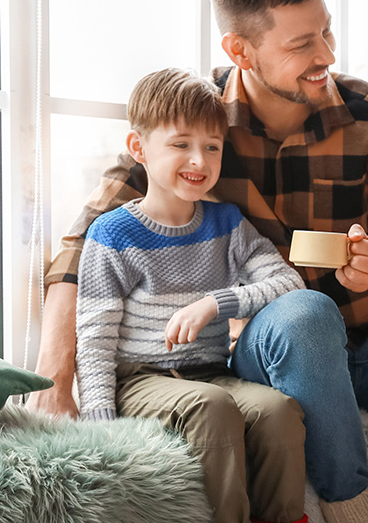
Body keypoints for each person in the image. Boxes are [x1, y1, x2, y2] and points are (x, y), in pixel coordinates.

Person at [29, 0, 368, 522]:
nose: (326, 54)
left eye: (327, 31)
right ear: (240, 50)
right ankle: (355, 506)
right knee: (306, 314)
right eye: (302, 44)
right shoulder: (195, 121)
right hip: (266, 356)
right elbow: (82, 245)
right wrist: (53, 381)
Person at [75, 68, 308, 523]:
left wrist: (216, 303)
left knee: (277, 411)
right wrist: (98, 421)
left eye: (211, 147)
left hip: (210, 372)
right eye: (181, 145)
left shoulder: (227, 224)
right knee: (212, 407)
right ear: (139, 148)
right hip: (139, 381)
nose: (198, 161)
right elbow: (95, 340)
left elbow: (288, 283)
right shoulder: (111, 234)